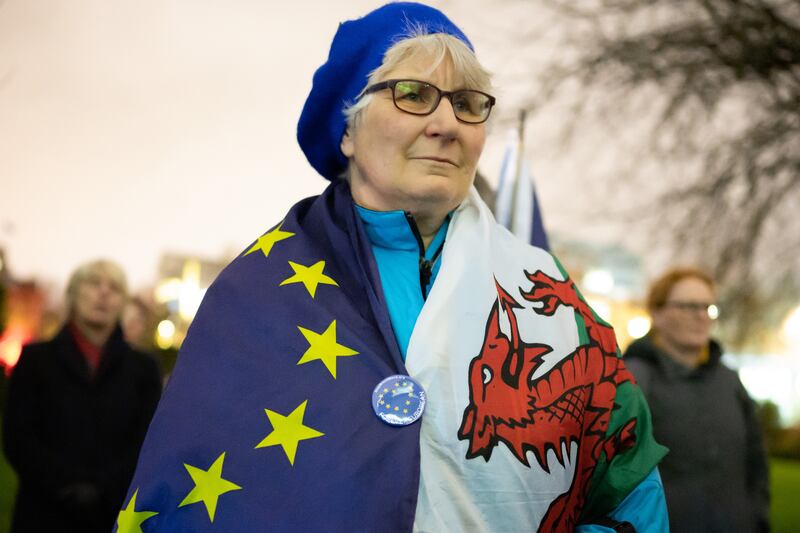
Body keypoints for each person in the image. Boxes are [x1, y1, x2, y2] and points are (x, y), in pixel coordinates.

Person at [121, 4, 668, 531]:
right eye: (413, 94)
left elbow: (630, 491)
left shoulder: (545, 291)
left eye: (469, 103)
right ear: (348, 131)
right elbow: (181, 506)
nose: (447, 124)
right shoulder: (254, 295)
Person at [2, 259, 162, 533]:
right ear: (73, 294)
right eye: (94, 283)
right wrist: (66, 484)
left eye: (114, 287)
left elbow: (147, 440)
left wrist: (103, 487)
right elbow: (18, 437)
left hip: (112, 515)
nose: (103, 293)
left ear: (123, 302)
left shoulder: (144, 370)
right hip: (42, 514)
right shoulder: (34, 360)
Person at [624, 267, 770, 532]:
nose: (702, 316)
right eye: (689, 306)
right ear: (657, 313)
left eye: (708, 307)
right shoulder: (633, 378)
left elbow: (756, 461)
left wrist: (757, 517)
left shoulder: (729, 380)